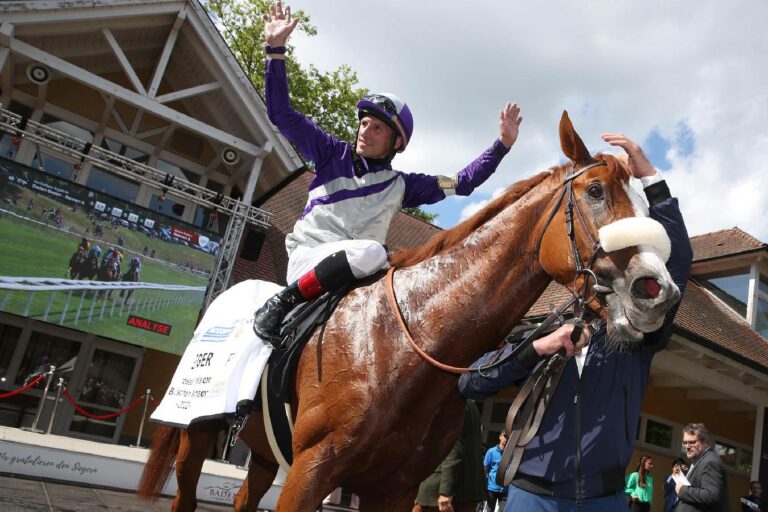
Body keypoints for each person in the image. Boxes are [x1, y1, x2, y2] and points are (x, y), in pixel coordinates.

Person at [252, 1, 523, 347]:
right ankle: (282, 302)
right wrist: (275, 50)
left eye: (377, 127)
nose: (365, 131)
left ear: (397, 142)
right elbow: (281, 114)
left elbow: (462, 182)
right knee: (377, 252)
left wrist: (501, 146)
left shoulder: (402, 185)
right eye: (364, 123)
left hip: (354, 276)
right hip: (309, 257)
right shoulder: (330, 152)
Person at [457, 135, 693, 511]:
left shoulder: (638, 337)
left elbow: (677, 261)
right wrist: (537, 348)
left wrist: (650, 176)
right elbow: (470, 382)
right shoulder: (542, 332)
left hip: (606, 500)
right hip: (530, 497)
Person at [412, 400, 486, 512]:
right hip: (467, 490)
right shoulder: (470, 404)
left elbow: (452, 448)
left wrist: (445, 492)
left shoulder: (451, 402)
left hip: (440, 490)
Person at [674, 423, 729, 511]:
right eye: (685, 442)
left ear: (705, 442)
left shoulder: (710, 462)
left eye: (692, 442)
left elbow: (711, 495)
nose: (687, 447)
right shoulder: (700, 460)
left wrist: (683, 490)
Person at [483, 432, 508, 512]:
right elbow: (485, 467)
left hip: (505, 488)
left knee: (503, 510)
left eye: (508, 437)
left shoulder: (511, 453)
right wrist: (487, 479)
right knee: (490, 509)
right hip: (492, 487)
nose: (506, 438)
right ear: (500, 437)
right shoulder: (491, 451)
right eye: (504, 436)